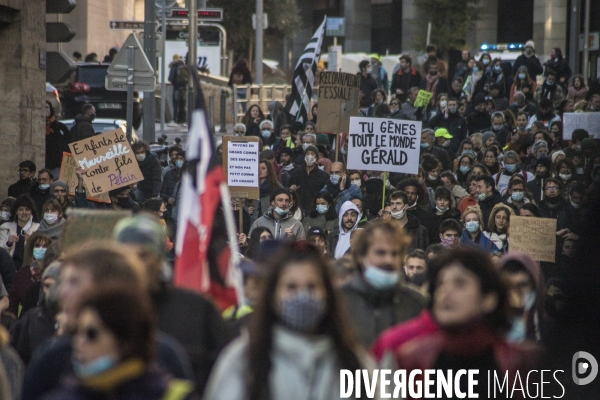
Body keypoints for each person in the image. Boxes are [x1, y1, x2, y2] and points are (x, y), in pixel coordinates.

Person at [204, 241, 374, 400]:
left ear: (327, 294)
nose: (302, 296)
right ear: (273, 295)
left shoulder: (354, 361)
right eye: (291, 287)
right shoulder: (242, 362)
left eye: (311, 287)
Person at [23, 243, 195, 400]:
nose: (62, 293)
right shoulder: (52, 357)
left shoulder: (164, 355)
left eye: (74, 282)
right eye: (63, 282)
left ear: (109, 286)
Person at [395, 248, 539, 397]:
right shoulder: (411, 360)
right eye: (441, 283)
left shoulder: (522, 364)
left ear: (488, 299)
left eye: (460, 284)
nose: (446, 292)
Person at [43, 285, 197, 399]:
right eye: (76, 332)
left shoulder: (175, 396)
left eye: (91, 334)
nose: (78, 342)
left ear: (125, 339)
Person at [340, 220, 425, 347]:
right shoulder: (339, 300)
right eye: (380, 253)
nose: (388, 260)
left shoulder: (417, 303)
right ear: (360, 256)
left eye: (394, 254)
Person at [497, 253, 544, 342]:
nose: (515, 292)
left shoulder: (553, 329)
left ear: (535, 287)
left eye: (522, 285)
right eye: (508, 285)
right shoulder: (484, 331)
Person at [7, 231, 51, 316]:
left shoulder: (53, 273)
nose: (41, 249)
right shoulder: (22, 274)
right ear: (32, 249)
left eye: (44, 246)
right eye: (37, 246)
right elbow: (12, 302)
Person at [0, 195, 40, 270]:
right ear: (16, 211)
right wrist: (8, 243)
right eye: (21, 209)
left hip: (28, 271)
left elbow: (41, 254)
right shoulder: (6, 228)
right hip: (8, 269)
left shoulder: (38, 229)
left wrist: (31, 242)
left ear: (31, 211)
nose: (24, 212)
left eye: (27, 209)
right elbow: (1, 251)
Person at [288, 145, 329, 214]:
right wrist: (291, 189)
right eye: (307, 154)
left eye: (312, 154)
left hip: (315, 211)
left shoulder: (324, 176)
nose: (310, 156)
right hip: (298, 211)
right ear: (304, 157)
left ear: (316, 157)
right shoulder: (296, 174)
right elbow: (288, 189)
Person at [45, 101, 71, 178]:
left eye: (46, 107)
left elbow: (67, 145)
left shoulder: (60, 127)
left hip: (57, 165)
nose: (44, 110)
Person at [168, 54, 188, 126]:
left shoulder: (174, 66)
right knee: (183, 105)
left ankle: (175, 120)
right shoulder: (184, 66)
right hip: (184, 88)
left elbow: (170, 78)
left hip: (177, 88)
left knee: (175, 105)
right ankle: (183, 121)